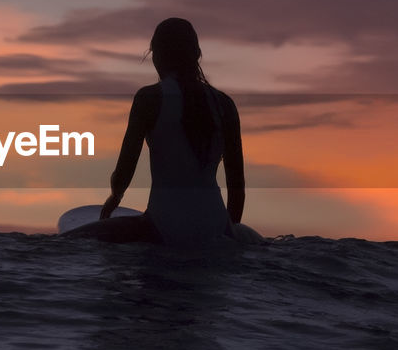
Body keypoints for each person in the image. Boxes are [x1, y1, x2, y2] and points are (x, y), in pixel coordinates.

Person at [69, 17, 260, 246]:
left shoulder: (149, 98)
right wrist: (230, 233)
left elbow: (125, 168)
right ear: (197, 54)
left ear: (157, 56)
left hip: (163, 224)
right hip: (216, 225)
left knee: (69, 241)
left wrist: (114, 198)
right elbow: (237, 185)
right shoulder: (225, 104)